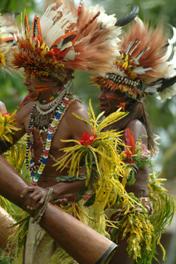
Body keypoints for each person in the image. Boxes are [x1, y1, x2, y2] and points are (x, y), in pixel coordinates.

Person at [0, 1, 125, 263]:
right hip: (35, 211)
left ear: (59, 78)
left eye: (37, 76)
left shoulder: (76, 114)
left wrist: (51, 193)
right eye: (28, 74)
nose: (28, 81)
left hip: (68, 216)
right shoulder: (28, 109)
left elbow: (93, 174)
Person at [93, 18, 176, 264]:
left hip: (123, 218)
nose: (103, 97)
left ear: (127, 99)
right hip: (104, 213)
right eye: (102, 89)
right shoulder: (107, 126)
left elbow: (136, 175)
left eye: (112, 92)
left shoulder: (133, 127)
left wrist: (137, 204)